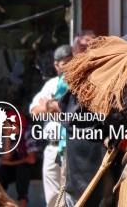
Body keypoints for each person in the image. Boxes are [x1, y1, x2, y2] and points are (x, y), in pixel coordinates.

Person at [28, 45, 72, 207]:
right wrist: (50, 107)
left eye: (70, 61)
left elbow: (70, 110)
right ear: (56, 66)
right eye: (63, 63)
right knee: (53, 198)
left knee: (70, 195)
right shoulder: (51, 84)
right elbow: (34, 111)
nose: (68, 66)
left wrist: (50, 105)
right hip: (52, 148)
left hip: (70, 145)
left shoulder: (76, 83)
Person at [0, 113, 35, 207]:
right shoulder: (14, 137)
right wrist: (8, 135)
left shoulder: (29, 132)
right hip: (21, 165)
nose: (4, 126)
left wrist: (11, 163)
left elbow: (32, 159)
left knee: (22, 168)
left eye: (6, 124)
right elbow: (6, 157)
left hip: (35, 166)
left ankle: (22, 204)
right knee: (3, 170)